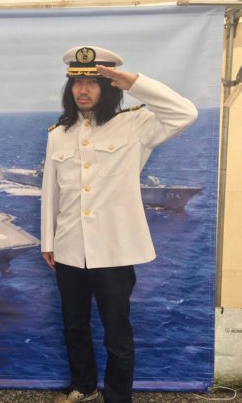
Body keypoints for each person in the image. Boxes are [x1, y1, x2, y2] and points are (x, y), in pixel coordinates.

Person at [40, 46, 198, 403]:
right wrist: (48, 241)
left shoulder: (135, 126)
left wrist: (134, 83)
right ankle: (84, 387)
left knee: (117, 334)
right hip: (69, 249)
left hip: (113, 251)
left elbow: (185, 113)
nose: (83, 90)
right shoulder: (57, 134)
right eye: (77, 82)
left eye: (93, 82)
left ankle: (118, 398)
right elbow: (51, 191)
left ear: (109, 86)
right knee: (74, 326)